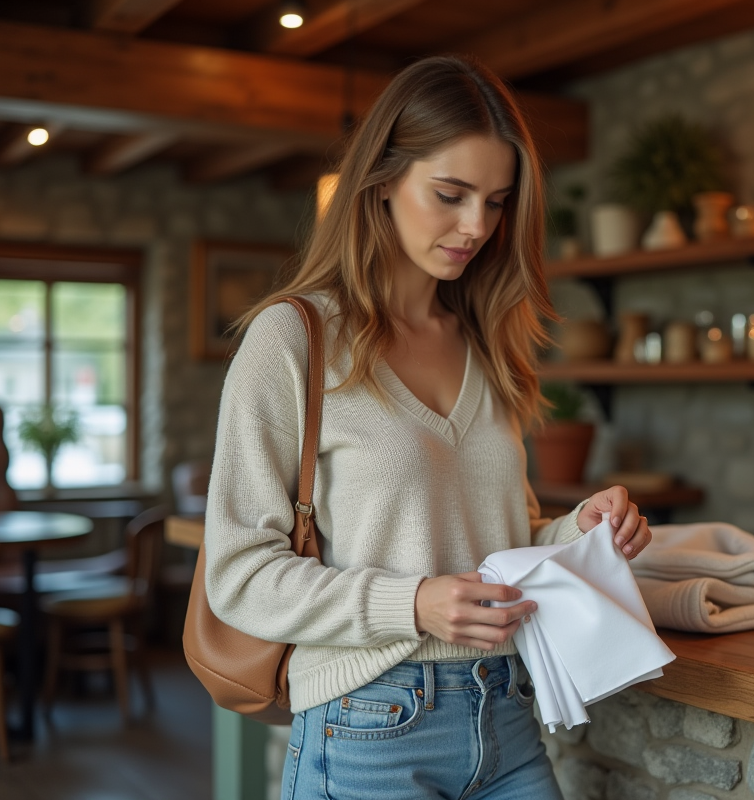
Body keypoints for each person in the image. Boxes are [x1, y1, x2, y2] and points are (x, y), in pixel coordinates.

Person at [205, 55, 652, 800]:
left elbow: (491, 553)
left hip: (506, 718)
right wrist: (411, 604)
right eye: (450, 194)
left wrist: (580, 529)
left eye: (497, 201)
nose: (476, 226)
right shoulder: (294, 339)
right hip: (367, 726)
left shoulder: (486, 343)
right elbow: (237, 577)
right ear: (381, 180)